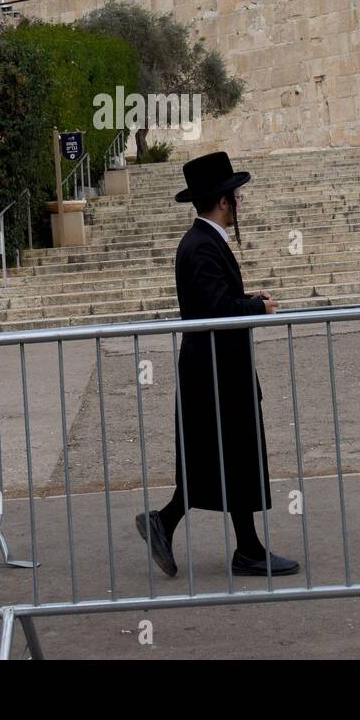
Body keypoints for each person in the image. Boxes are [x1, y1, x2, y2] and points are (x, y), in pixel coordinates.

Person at [136, 151, 299, 578]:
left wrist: (249, 301)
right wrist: (257, 307)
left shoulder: (203, 242)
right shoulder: (201, 245)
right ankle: (234, 545)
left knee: (222, 457)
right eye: (235, 196)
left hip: (216, 369)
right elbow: (216, 310)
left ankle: (238, 545)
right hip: (213, 372)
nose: (239, 202)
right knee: (222, 455)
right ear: (224, 201)